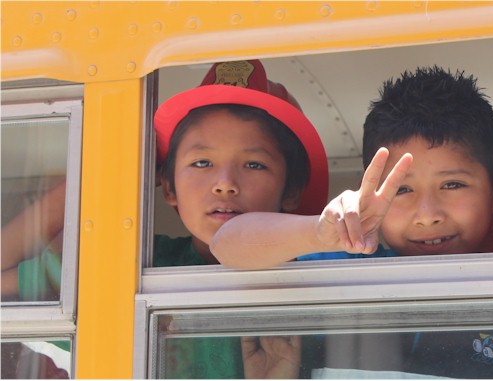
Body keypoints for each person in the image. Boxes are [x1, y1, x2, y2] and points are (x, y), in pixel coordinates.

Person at [211, 67, 493, 378]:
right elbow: (227, 243)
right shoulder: (348, 257)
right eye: (402, 190)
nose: (428, 213)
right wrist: (317, 230)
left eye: (452, 184)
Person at [2, 59, 329, 378]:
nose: (224, 183)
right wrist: (112, 169)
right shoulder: (140, 264)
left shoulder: (319, 283)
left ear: (292, 190)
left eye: (254, 164)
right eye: (202, 163)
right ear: (167, 185)